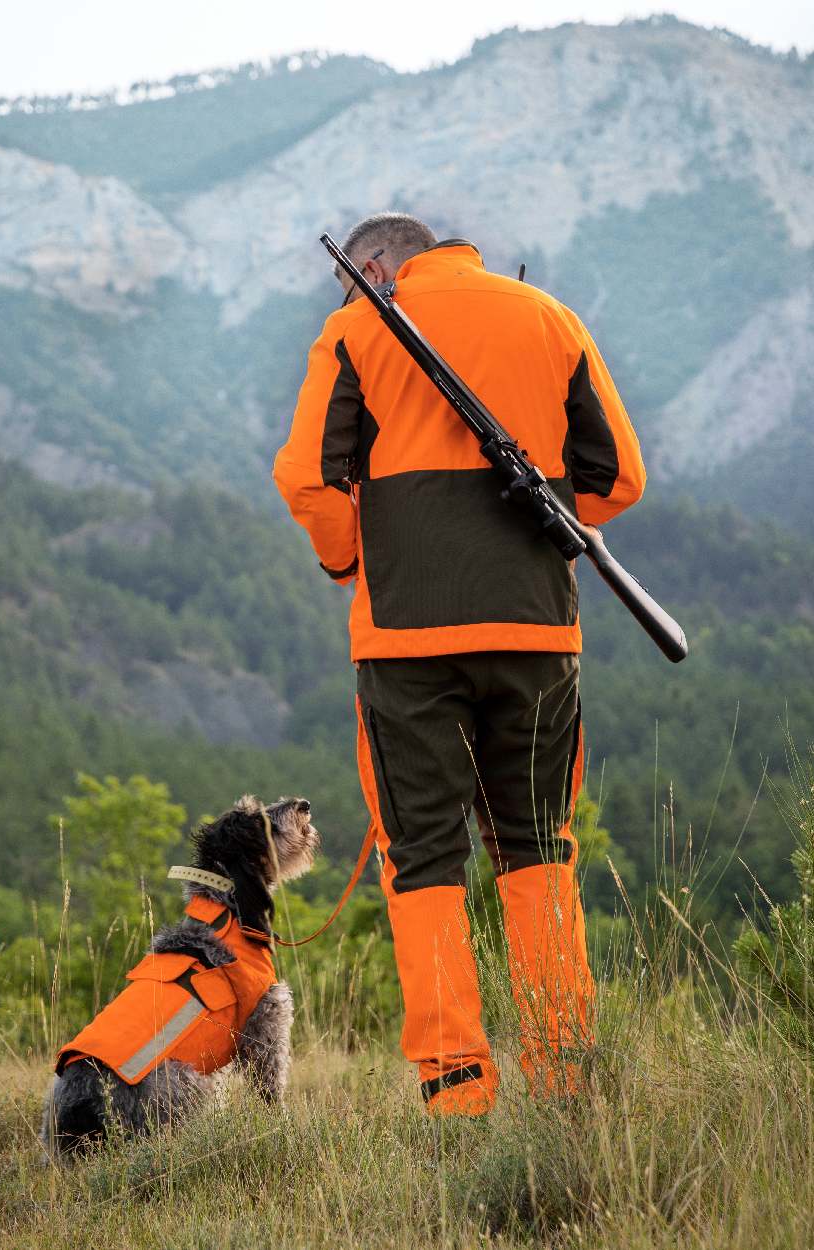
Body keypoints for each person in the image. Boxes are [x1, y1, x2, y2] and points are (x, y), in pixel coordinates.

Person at [273, 212, 645, 1117]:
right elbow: (617, 477)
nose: (350, 293)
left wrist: (354, 558)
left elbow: (309, 480)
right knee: (539, 853)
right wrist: (532, 527)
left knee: (427, 860)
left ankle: (456, 1092)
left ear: (375, 266)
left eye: (351, 280)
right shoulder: (550, 318)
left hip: (407, 645)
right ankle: (564, 1076)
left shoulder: (357, 328)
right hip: (537, 637)